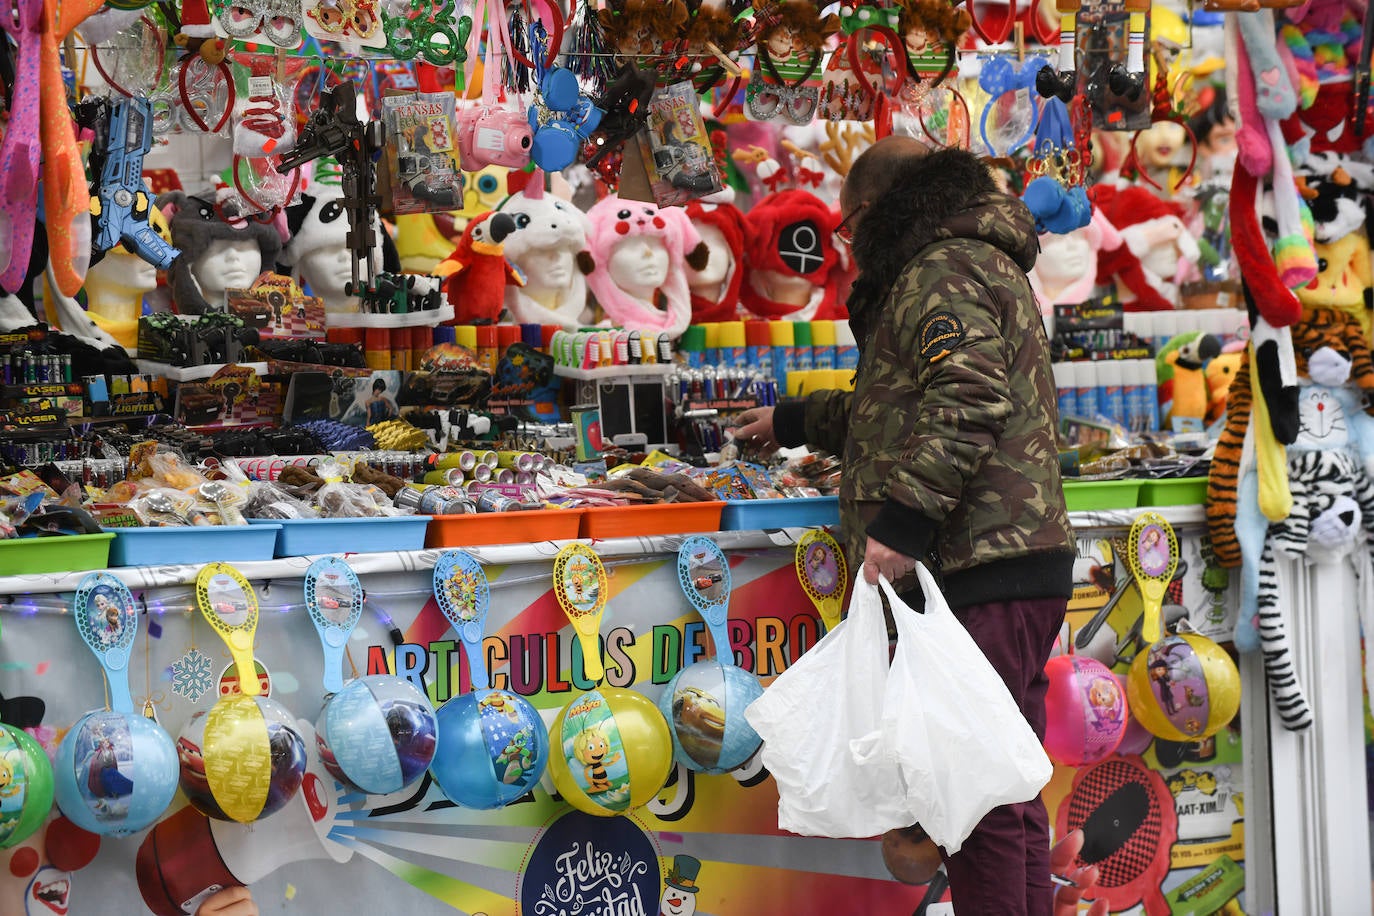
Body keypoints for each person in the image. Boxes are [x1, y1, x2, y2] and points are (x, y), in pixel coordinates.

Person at [732, 136, 1074, 916]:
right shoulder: (964, 257)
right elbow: (903, 403)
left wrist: (906, 521)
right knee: (1002, 788)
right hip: (1008, 557)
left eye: (847, 231)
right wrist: (792, 419)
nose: (848, 251)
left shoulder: (941, 267)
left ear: (877, 211)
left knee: (971, 797)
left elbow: (968, 395)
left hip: (976, 562)